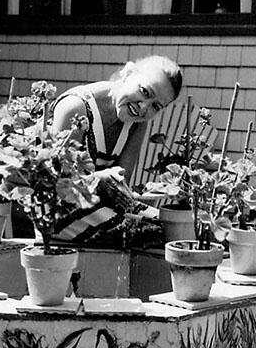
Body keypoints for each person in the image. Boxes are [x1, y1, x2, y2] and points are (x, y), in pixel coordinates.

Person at [48, 55, 183, 244]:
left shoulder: (137, 122)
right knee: (152, 233)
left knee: (173, 228)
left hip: (97, 207)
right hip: (57, 212)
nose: (144, 107)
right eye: (144, 92)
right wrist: (100, 179)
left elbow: (120, 184)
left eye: (156, 106)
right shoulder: (76, 108)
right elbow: (58, 185)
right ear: (127, 73)